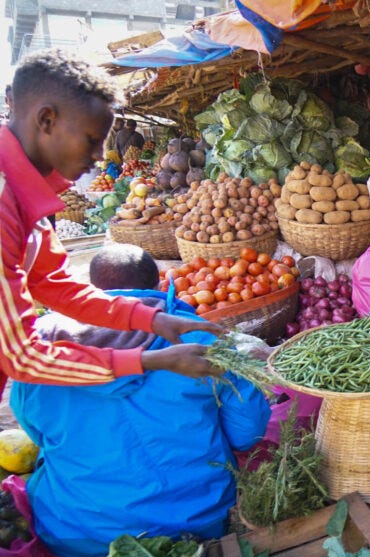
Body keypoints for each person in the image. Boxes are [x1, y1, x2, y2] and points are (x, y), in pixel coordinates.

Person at [10, 245, 271, 557]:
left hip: (78, 530)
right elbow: (247, 434)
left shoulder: (42, 359)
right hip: (194, 520)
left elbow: (36, 434)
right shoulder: (199, 345)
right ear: (159, 286)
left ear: (90, 290)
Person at [0, 48, 220, 397]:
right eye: (92, 139)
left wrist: (152, 319)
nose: (101, 156)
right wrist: (151, 360)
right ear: (46, 120)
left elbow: (55, 286)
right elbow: (22, 357)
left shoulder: (24, 196)